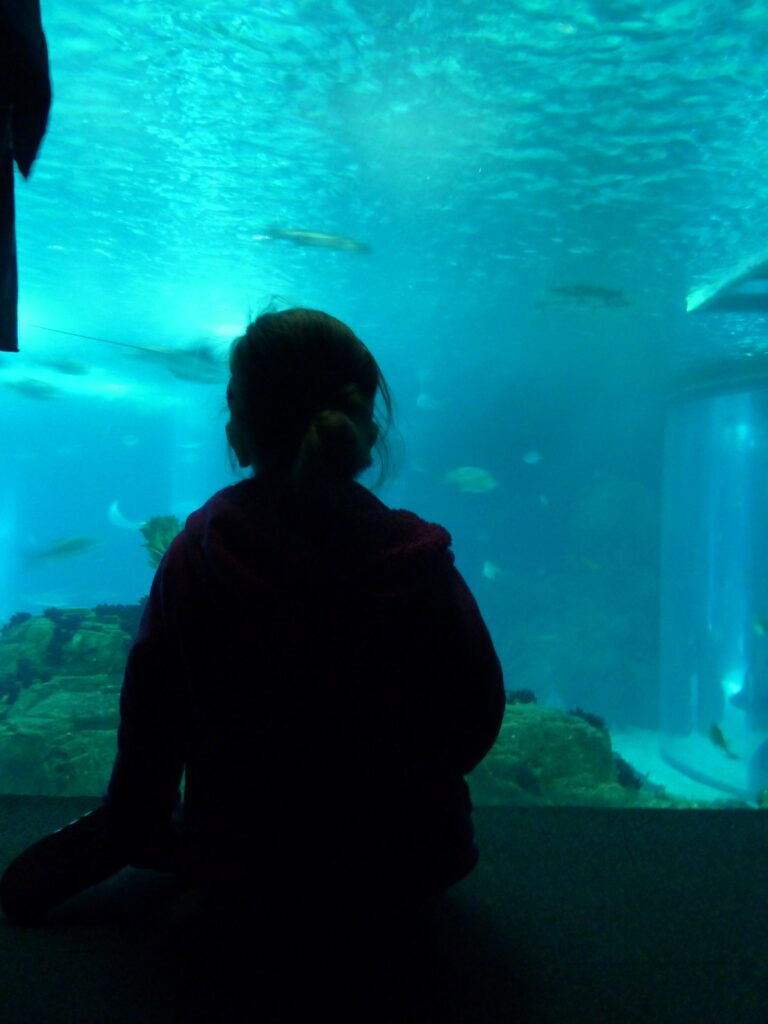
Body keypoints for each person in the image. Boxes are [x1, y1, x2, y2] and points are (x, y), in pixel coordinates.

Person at [0, 308, 505, 1011]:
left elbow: (150, 735)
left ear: (238, 431)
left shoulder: (200, 555)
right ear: (368, 430)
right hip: (414, 865)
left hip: (244, 871)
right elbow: (477, 717)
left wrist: (119, 836)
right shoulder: (416, 563)